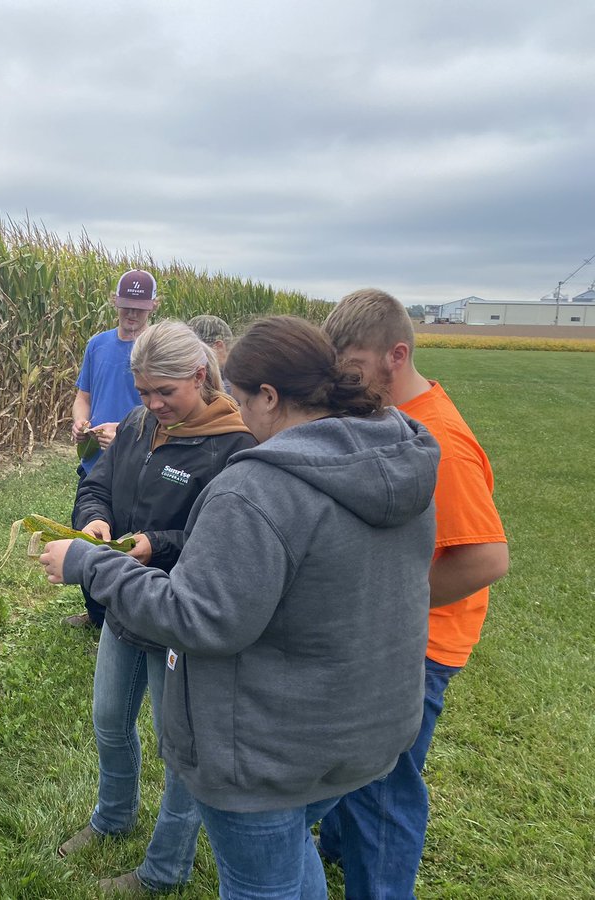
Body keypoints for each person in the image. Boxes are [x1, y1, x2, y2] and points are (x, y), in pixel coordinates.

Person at [40, 315, 440, 899]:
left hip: (266, 752)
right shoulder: (399, 458)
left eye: (242, 397)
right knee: (291, 860)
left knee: (262, 883)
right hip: (361, 731)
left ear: (270, 396)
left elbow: (202, 616)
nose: (240, 412)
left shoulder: (257, 481)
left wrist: (90, 564)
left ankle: (164, 868)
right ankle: (117, 820)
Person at [318, 288, 509, 899]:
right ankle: (338, 850)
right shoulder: (386, 418)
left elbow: (485, 557)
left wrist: (388, 601)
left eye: (351, 371)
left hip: (418, 647)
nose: (340, 385)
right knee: (354, 761)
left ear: (395, 356)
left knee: (385, 787)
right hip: (384, 635)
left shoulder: (441, 442)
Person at [57, 321, 256, 895]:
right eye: (143, 392)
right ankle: (112, 818)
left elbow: (218, 541)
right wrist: (92, 521)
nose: (151, 404)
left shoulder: (235, 446)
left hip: (180, 617)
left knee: (180, 751)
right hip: (125, 602)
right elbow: (96, 483)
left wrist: (156, 545)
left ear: (201, 375)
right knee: (108, 721)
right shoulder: (142, 426)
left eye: (164, 392)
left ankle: (164, 868)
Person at [66, 268, 160, 629]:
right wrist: (80, 421)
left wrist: (123, 431)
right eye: (125, 306)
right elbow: (83, 396)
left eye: (139, 306)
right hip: (94, 462)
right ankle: (96, 614)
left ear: (154, 305)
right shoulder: (98, 345)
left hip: (139, 462)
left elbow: (165, 409)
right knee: (87, 531)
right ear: (114, 302)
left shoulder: (157, 351)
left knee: (128, 541)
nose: (132, 314)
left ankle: (124, 617)